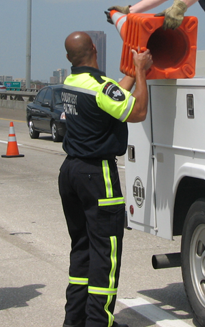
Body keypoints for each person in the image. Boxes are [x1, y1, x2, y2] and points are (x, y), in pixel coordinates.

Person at [58, 32, 152, 327]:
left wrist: (127, 78)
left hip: (71, 172)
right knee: (105, 254)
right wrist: (140, 72)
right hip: (97, 175)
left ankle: (75, 320)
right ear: (95, 49)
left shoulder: (71, 83)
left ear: (69, 58)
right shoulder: (99, 87)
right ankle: (100, 322)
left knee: (82, 249)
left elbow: (109, 98)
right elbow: (136, 111)